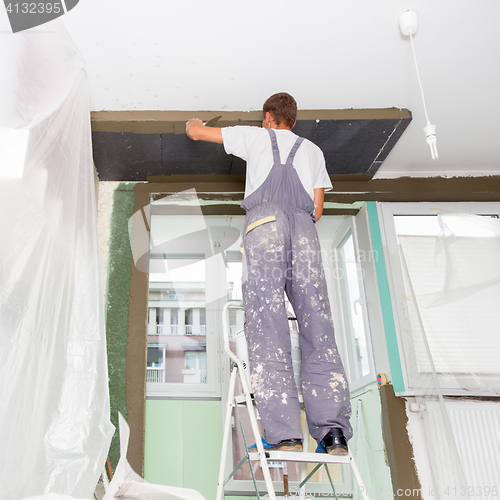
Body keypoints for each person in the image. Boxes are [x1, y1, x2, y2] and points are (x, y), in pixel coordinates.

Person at [186, 92, 352, 455]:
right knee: (317, 325)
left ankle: (286, 434)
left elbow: (199, 134)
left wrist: (193, 125)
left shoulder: (256, 135)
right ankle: (333, 433)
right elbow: (318, 209)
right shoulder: (314, 151)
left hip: (265, 225)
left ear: (268, 117)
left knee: (268, 322)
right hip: (305, 233)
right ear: (292, 120)